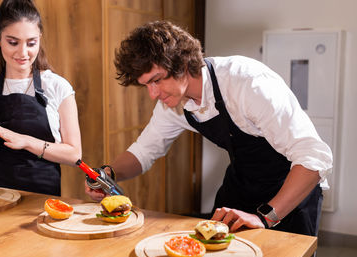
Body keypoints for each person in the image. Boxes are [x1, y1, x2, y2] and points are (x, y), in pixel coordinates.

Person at [85, 21, 332, 237]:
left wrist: (265, 217)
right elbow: (143, 152)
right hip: (242, 186)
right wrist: (108, 173)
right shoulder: (173, 105)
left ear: (181, 63)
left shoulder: (247, 84)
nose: (153, 94)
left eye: (157, 80)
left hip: (290, 192)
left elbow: (314, 158)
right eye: (146, 86)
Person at [0, 0, 81, 196]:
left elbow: (74, 155)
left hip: (42, 201)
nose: (23, 53)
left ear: (40, 38)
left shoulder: (57, 87)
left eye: (31, 43)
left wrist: (26, 141)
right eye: (13, 42)